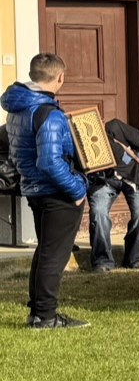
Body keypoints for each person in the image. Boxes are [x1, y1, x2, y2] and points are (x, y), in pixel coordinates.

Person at [5, 54, 92, 330]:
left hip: (34, 189)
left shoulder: (18, 109)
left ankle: (38, 312)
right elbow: (50, 162)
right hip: (57, 193)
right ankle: (45, 316)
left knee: (45, 252)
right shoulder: (49, 114)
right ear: (60, 77)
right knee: (54, 257)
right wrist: (77, 189)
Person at [85, 118, 139, 272]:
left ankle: (134, 258)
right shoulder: (81, 142)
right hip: (103, 181)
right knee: (98, 212)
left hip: (134, 176)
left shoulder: (115, 127)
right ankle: (102, 261)